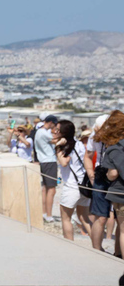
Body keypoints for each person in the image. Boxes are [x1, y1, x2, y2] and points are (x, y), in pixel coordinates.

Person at [53, 120, 92, 240]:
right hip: (83, 185)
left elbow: (64, 162)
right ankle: (97, 245)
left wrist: (58, 148)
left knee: (66, 218)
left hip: (71, 186)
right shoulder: (79, 144)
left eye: (58, 129)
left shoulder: (64, 145)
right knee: (84, 218)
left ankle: (69, 245)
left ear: (63, 131)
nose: (55, 131)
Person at [84, 112, 116, 251]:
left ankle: (118, 252)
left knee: (119, 218)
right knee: (100, 216)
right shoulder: (94, 137)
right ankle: (96, 249)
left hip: (116, 175)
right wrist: (91, 174)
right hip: (100, 174)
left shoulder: (116, 137)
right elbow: (88, 156)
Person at [101, 111, 124, 263]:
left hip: (121, 192)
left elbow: (113, 173)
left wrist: (108, 175)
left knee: (123, 230)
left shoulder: (115, 148)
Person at [35, 114, 59, 223]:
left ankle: (44, 212)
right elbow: (56, 140)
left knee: (45, 188)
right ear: (50, 122)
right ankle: (49, 215)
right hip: (49, 160)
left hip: (43, 161)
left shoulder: (39, 132)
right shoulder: (44, 133)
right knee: (51, 189)